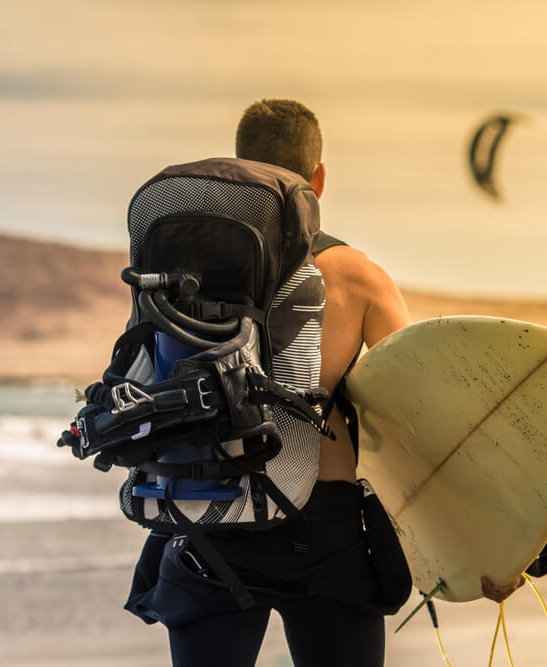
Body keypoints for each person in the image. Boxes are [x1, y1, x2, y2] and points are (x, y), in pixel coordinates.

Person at [124, 99, 522, 667]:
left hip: (209, 514)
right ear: (318, 179)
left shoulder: (182, 271)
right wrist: (489, 542)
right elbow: (424, 422)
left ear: (241, 166)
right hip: (322, 531)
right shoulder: (356, 275)